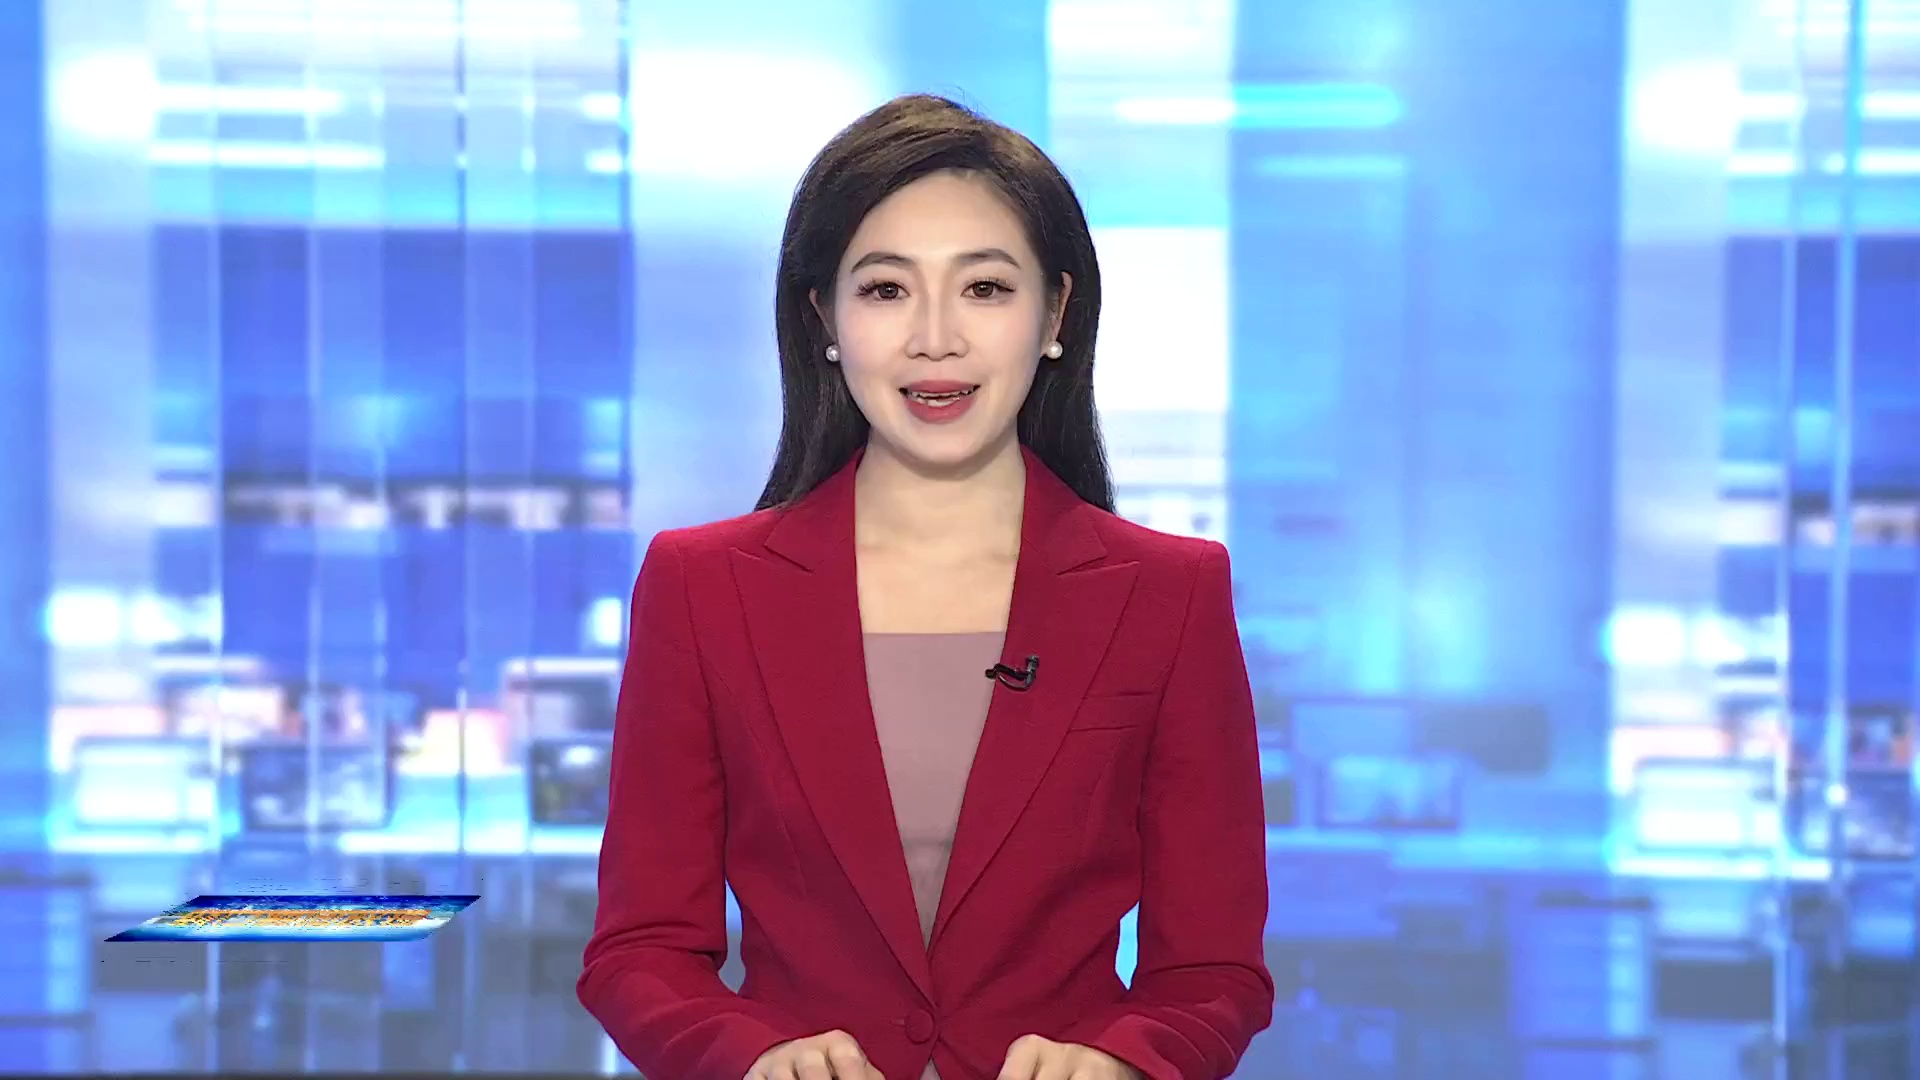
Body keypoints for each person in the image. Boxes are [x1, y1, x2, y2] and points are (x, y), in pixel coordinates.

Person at [578, 93, 1273, 1080]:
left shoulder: (1171, 594)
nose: (935, 338)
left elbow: (1212, 970)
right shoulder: (702, 588)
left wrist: (1124, 1060)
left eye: (985, 288)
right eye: (886, 289)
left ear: (1055, 313)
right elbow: (640, 953)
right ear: (824, 316)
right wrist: (753, 1057)